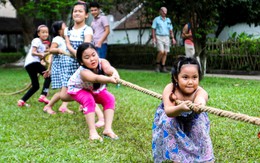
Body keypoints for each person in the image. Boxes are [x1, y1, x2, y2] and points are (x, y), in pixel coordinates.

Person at [152, 56, 214, 162]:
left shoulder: (199, 91)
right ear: (176, 77)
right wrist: (180, 108)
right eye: (185, 77)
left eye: (194, 77)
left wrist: (199, 105)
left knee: (200, 127)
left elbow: (201, 99)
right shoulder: (171, 88)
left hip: (193, 118)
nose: (190, 82)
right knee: (168, 122)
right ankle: (177, 157)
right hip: (173, 115)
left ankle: (204, 158)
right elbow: (168, 111)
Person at [67, 43, 119, 141]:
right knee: (89, 99)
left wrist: (115, 74)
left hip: (94, 89)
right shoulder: (83, 72)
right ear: (81, 62)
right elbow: (95, 78)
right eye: (87, 57)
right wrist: (110, 80)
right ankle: (93, 133)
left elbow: (109, 69)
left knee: (109, 99)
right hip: (78, 89)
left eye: (93, 55)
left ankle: (107, 130)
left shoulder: (102, 62)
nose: (92, 59)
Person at [42, 21, 74, 114]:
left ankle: (63, 107)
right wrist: (58, 50)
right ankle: (48, 106)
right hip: (61, 68)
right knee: (65, 90)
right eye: (64, 26)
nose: (67, 27)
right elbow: (51, 50)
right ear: (59, 30)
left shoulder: (65, 40)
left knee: (66, 89)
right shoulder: (57, 39)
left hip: (66, 67)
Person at [17, 24, 51, 107]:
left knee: (35, 86)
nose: (45, 34)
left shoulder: (42, 45)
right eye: (43, 32)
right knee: (49, 76)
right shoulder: (36, 40)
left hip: (29, 64)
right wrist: (41, 55)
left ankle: (22, 101)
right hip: (33, 63)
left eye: (47, 32)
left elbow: (42, 57)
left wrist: (42, 60)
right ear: (38, 33)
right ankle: (43, 95)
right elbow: (33, 52)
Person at [152, 7, 176, 73]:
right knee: (161, 51)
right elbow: (153, 29)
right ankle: (157, 64)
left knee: (165, 52)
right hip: (159, 36)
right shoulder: (156, 19)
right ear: (160, 11)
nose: (165, 13)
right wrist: (154, 38)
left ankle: (163, 66)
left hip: (166, 37)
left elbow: (171, 30)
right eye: (163, 11)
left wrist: (173, 38)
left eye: (166, 12)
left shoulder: (168, 20)